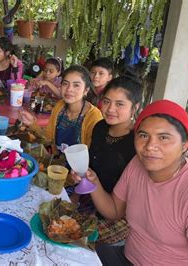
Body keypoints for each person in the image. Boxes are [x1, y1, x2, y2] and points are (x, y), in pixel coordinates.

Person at [72, 100, 188, 265]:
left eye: (163, 137)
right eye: (143, 135)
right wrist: (92, 181)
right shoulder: (138, 164)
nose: (150, 146)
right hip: (127, 257)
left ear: (185, 145)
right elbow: (114, 210)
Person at [77, 76, 142, 245]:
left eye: (120, 104)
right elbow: (89, 166)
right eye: (106, 101)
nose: (110, 109)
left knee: (74, 237)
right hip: (89, 198)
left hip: (116, 214)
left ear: (135, 107)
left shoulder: (137, 142)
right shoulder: (100, 127)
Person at [20, 65, 103, 153]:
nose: (69, 89)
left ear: (86, 90)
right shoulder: (60, 106)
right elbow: (48, 138)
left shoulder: (94, 116)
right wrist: (32, 124)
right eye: (65, 83)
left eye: (76, 85)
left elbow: (93, 154)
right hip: (56, 162)